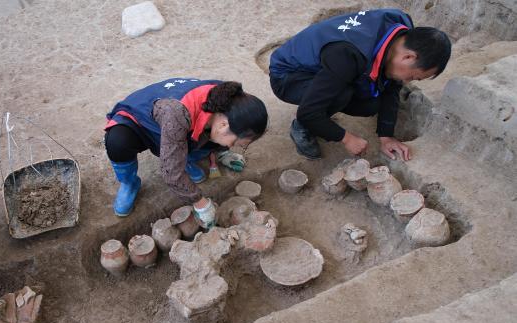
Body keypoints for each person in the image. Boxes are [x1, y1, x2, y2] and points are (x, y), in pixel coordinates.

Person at [269, 8, 451, 161]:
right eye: (412, 76)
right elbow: (308, 112)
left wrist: (386, 136)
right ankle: (301, 127)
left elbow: (391, 86)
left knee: (370, 103)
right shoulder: (346, 55)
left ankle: (322, 109)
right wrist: (346, 138)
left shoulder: (402, 34)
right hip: (287, 75)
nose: (407, 81)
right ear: (408, 57)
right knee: (340, 95)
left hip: (328, 64)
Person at [104, 78, 268, 224]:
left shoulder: (231, 100)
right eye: (235, 142)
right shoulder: (177, 114)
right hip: (141, 122)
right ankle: (129, 183)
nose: (232, 146)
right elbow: (171, 173)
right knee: (118, 142)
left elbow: (219, 133)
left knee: (213, 138)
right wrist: (201, 204)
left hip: (178, 126)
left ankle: (186, 157)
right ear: (224, 125)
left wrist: (222, 152)